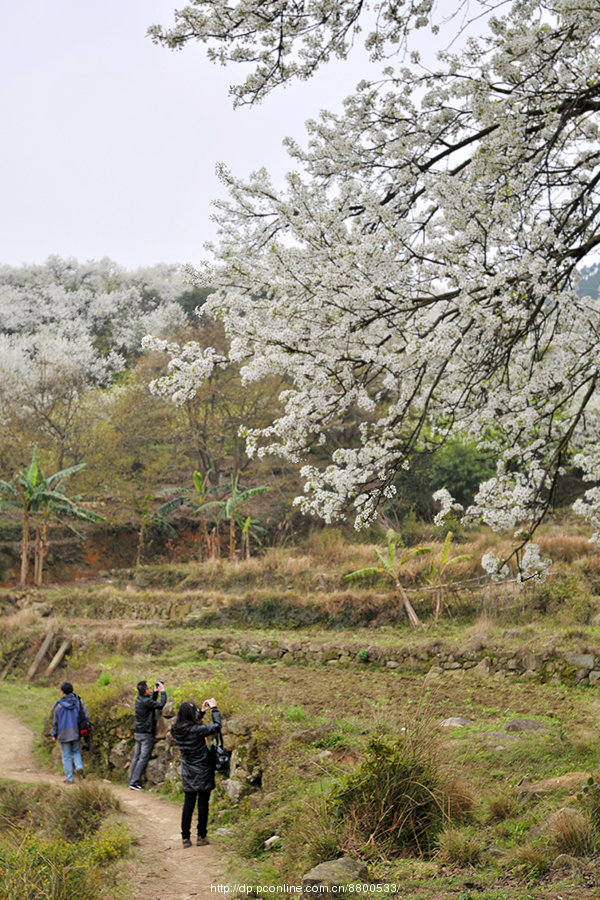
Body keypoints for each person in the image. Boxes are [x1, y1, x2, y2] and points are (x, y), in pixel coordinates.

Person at [171, 697, 221, 848]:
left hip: (188, 771)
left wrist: (202, 712)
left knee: (188, 804)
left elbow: (190, 723)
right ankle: (201, 836)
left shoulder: (176, 730)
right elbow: (217, 726)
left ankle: (185, 838)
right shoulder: (197, 730)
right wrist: (214, 709)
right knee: (203, 804)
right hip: (203, 769)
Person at [128, 679, 167, 790]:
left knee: (136, 757)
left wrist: (155, 693)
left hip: (138, 732)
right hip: (146, 733)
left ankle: (131, 779)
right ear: (145, 691)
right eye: (148, 688)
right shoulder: (145, 701)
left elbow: (151, 704)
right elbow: (160, 705)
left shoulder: (139, 699)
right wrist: (163, 691)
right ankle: (134, 782)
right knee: (143, 758)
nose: (149, 689)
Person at [51, 681, 89, 785]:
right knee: (76, 752)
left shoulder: (58, 705)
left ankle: (70, 778)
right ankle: (79, 767)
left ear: (62, 692)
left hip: (63, 734)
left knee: (66, 755)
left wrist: (54, 734)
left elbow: (55, 721)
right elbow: (86, 715)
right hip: (76, 732)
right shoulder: (78, 701)